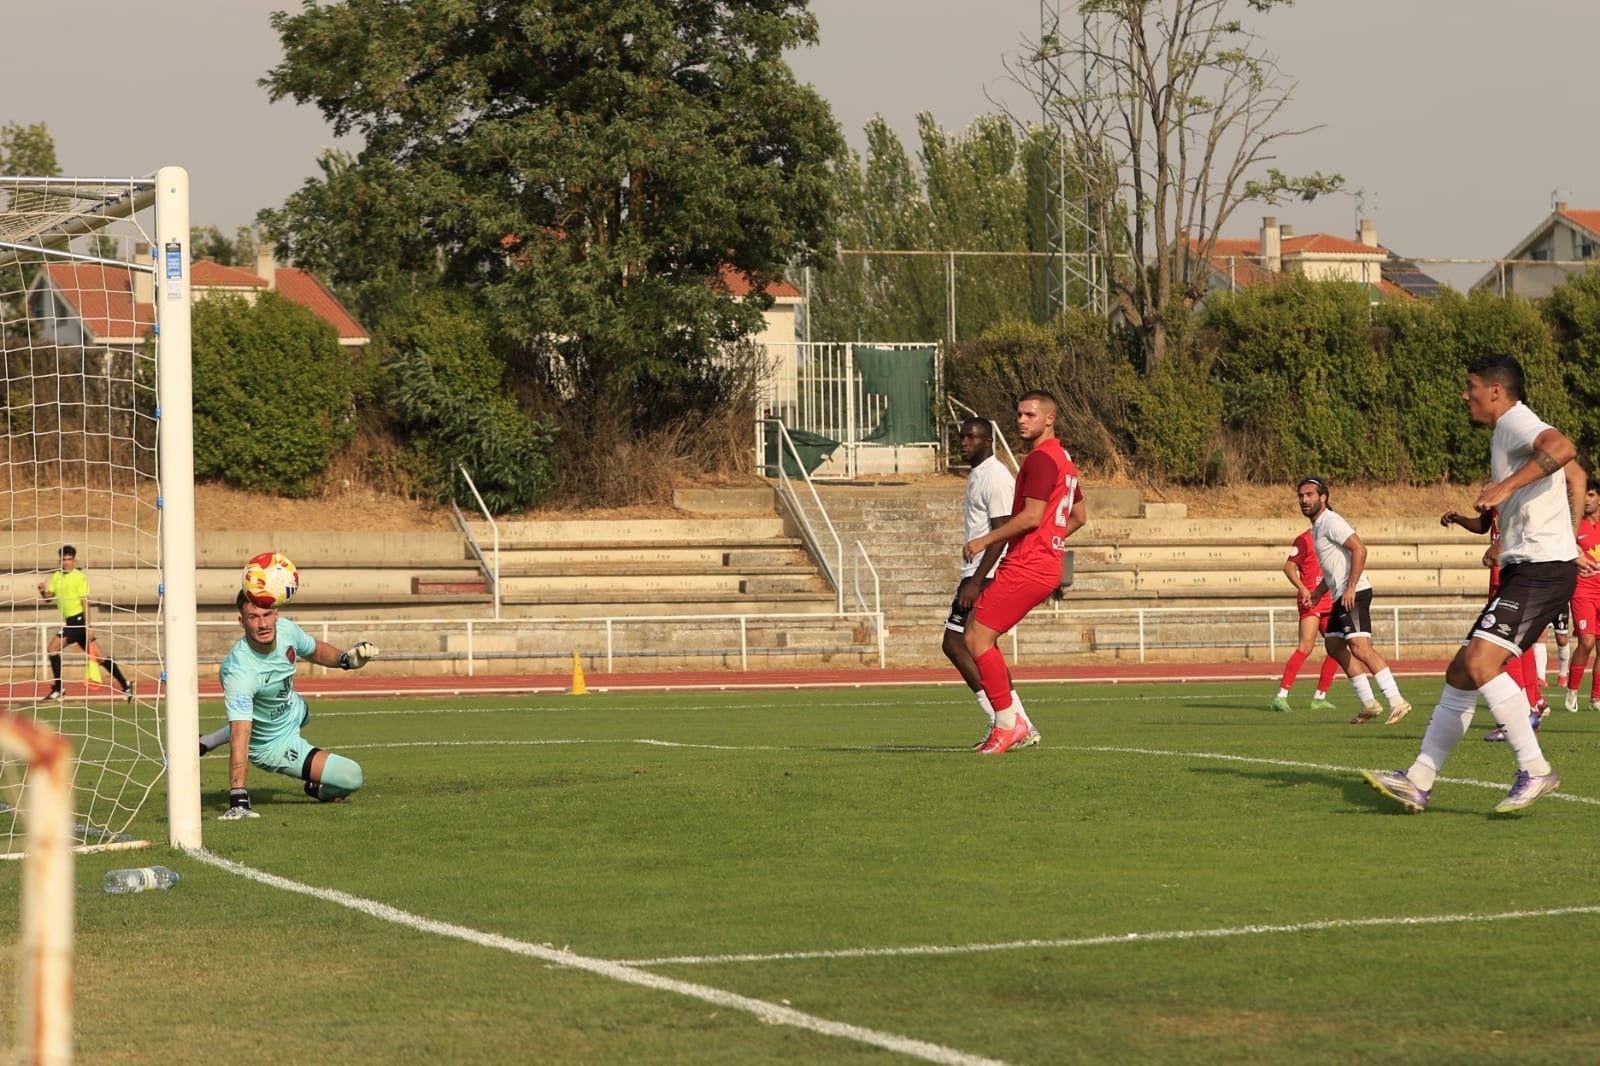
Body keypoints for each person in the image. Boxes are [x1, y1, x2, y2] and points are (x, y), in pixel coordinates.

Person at [1364, 352, 1593, 814]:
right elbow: (1570, 475)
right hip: (1529, 565)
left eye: (1470, 386)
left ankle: (1534, 767)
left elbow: (1565, 449)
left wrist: (1506, 491)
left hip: (1542, 569)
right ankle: (1418, 779)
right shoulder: (1507, 433)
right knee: (1461, 673)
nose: (1464, 394)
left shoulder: (1515, 422)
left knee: (1481, 663)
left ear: (1495, 390)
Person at [962, 391, 1086, 755]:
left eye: (1030, 414)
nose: (1021, 420)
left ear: (1050, 419)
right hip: (1046, 563)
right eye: (1018, 414)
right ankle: (1009, 722)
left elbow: (1032, 516)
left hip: (1029, 563)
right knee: (976, 637)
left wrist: (985, 540)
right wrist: (1051, 541)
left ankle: (1009, 724)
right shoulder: (1064, 460)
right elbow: (1078, 517)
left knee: (975, 640)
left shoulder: (1040, 460)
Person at [199, 590, 375, 819]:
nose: (263, 624)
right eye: (253, 617)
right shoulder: (239, 673)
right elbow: (241, 736)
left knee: (304, 712)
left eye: (267, 614)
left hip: (294, 708)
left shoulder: (286, 630)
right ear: (241, 622)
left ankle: (207, 741)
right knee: (352, 777)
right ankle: (317, 788)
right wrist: (238, 797)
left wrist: (347, 660)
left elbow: (316, 650)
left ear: (276, 614)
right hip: (274, 745)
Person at [942, 418, 1037, 748]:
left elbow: (1002, 532)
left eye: (972, 437)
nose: (965, 442)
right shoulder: (978, 474)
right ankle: (1014, 720)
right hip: (975, 572)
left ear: (988, 441)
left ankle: (1008, 720)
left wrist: (977, 580)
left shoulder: (996, 477)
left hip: (987, 573)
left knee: (966, 644)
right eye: (962, 437)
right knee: (960, 644)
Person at [1296, 478, 1411, 725]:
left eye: (1309, 495)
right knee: (1334, 646)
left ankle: (1397, 701)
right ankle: (1369, 704)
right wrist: (1318, 591)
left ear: (1323, 497)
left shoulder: (1331, 521)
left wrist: (1349, 588)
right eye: (1301, 496)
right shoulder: (1317, 527)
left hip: (1355, 593)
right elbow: (1333, 566)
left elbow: (1360, 549)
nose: (1304, 500)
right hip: (1340, 594)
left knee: (1360, 648)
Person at [36, 544, 132, 701]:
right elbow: (48, 598)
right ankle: (126, 684)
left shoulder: (80, 577)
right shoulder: (57, 576)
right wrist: (42, 590)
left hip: (78, 622)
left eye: (69, 559)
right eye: (63, 559)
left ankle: (59, 689)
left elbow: (85, 603)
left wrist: (88, 626)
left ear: (74, 560)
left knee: (52, 648)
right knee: (100, 658)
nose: (66, 562)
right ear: (60, 561)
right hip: (71, 622)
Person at [1270, 525, 1341, 713]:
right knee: (1305, 647)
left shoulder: (1332, 539)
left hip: (1328, 598)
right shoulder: (1304, 539)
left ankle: (1319, 697)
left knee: (1337, 647)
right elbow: (1289, 567)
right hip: (1311, 600)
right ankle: (1281, 696)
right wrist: (1302, 588)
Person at [1563, 476, 1600, 710]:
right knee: (1585, 641)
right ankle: (1572, 690)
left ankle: (1596, 697)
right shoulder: (1573, 526)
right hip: (1582, 590)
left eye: (1591, 495)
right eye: (1584, 494)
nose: (1586, 499)